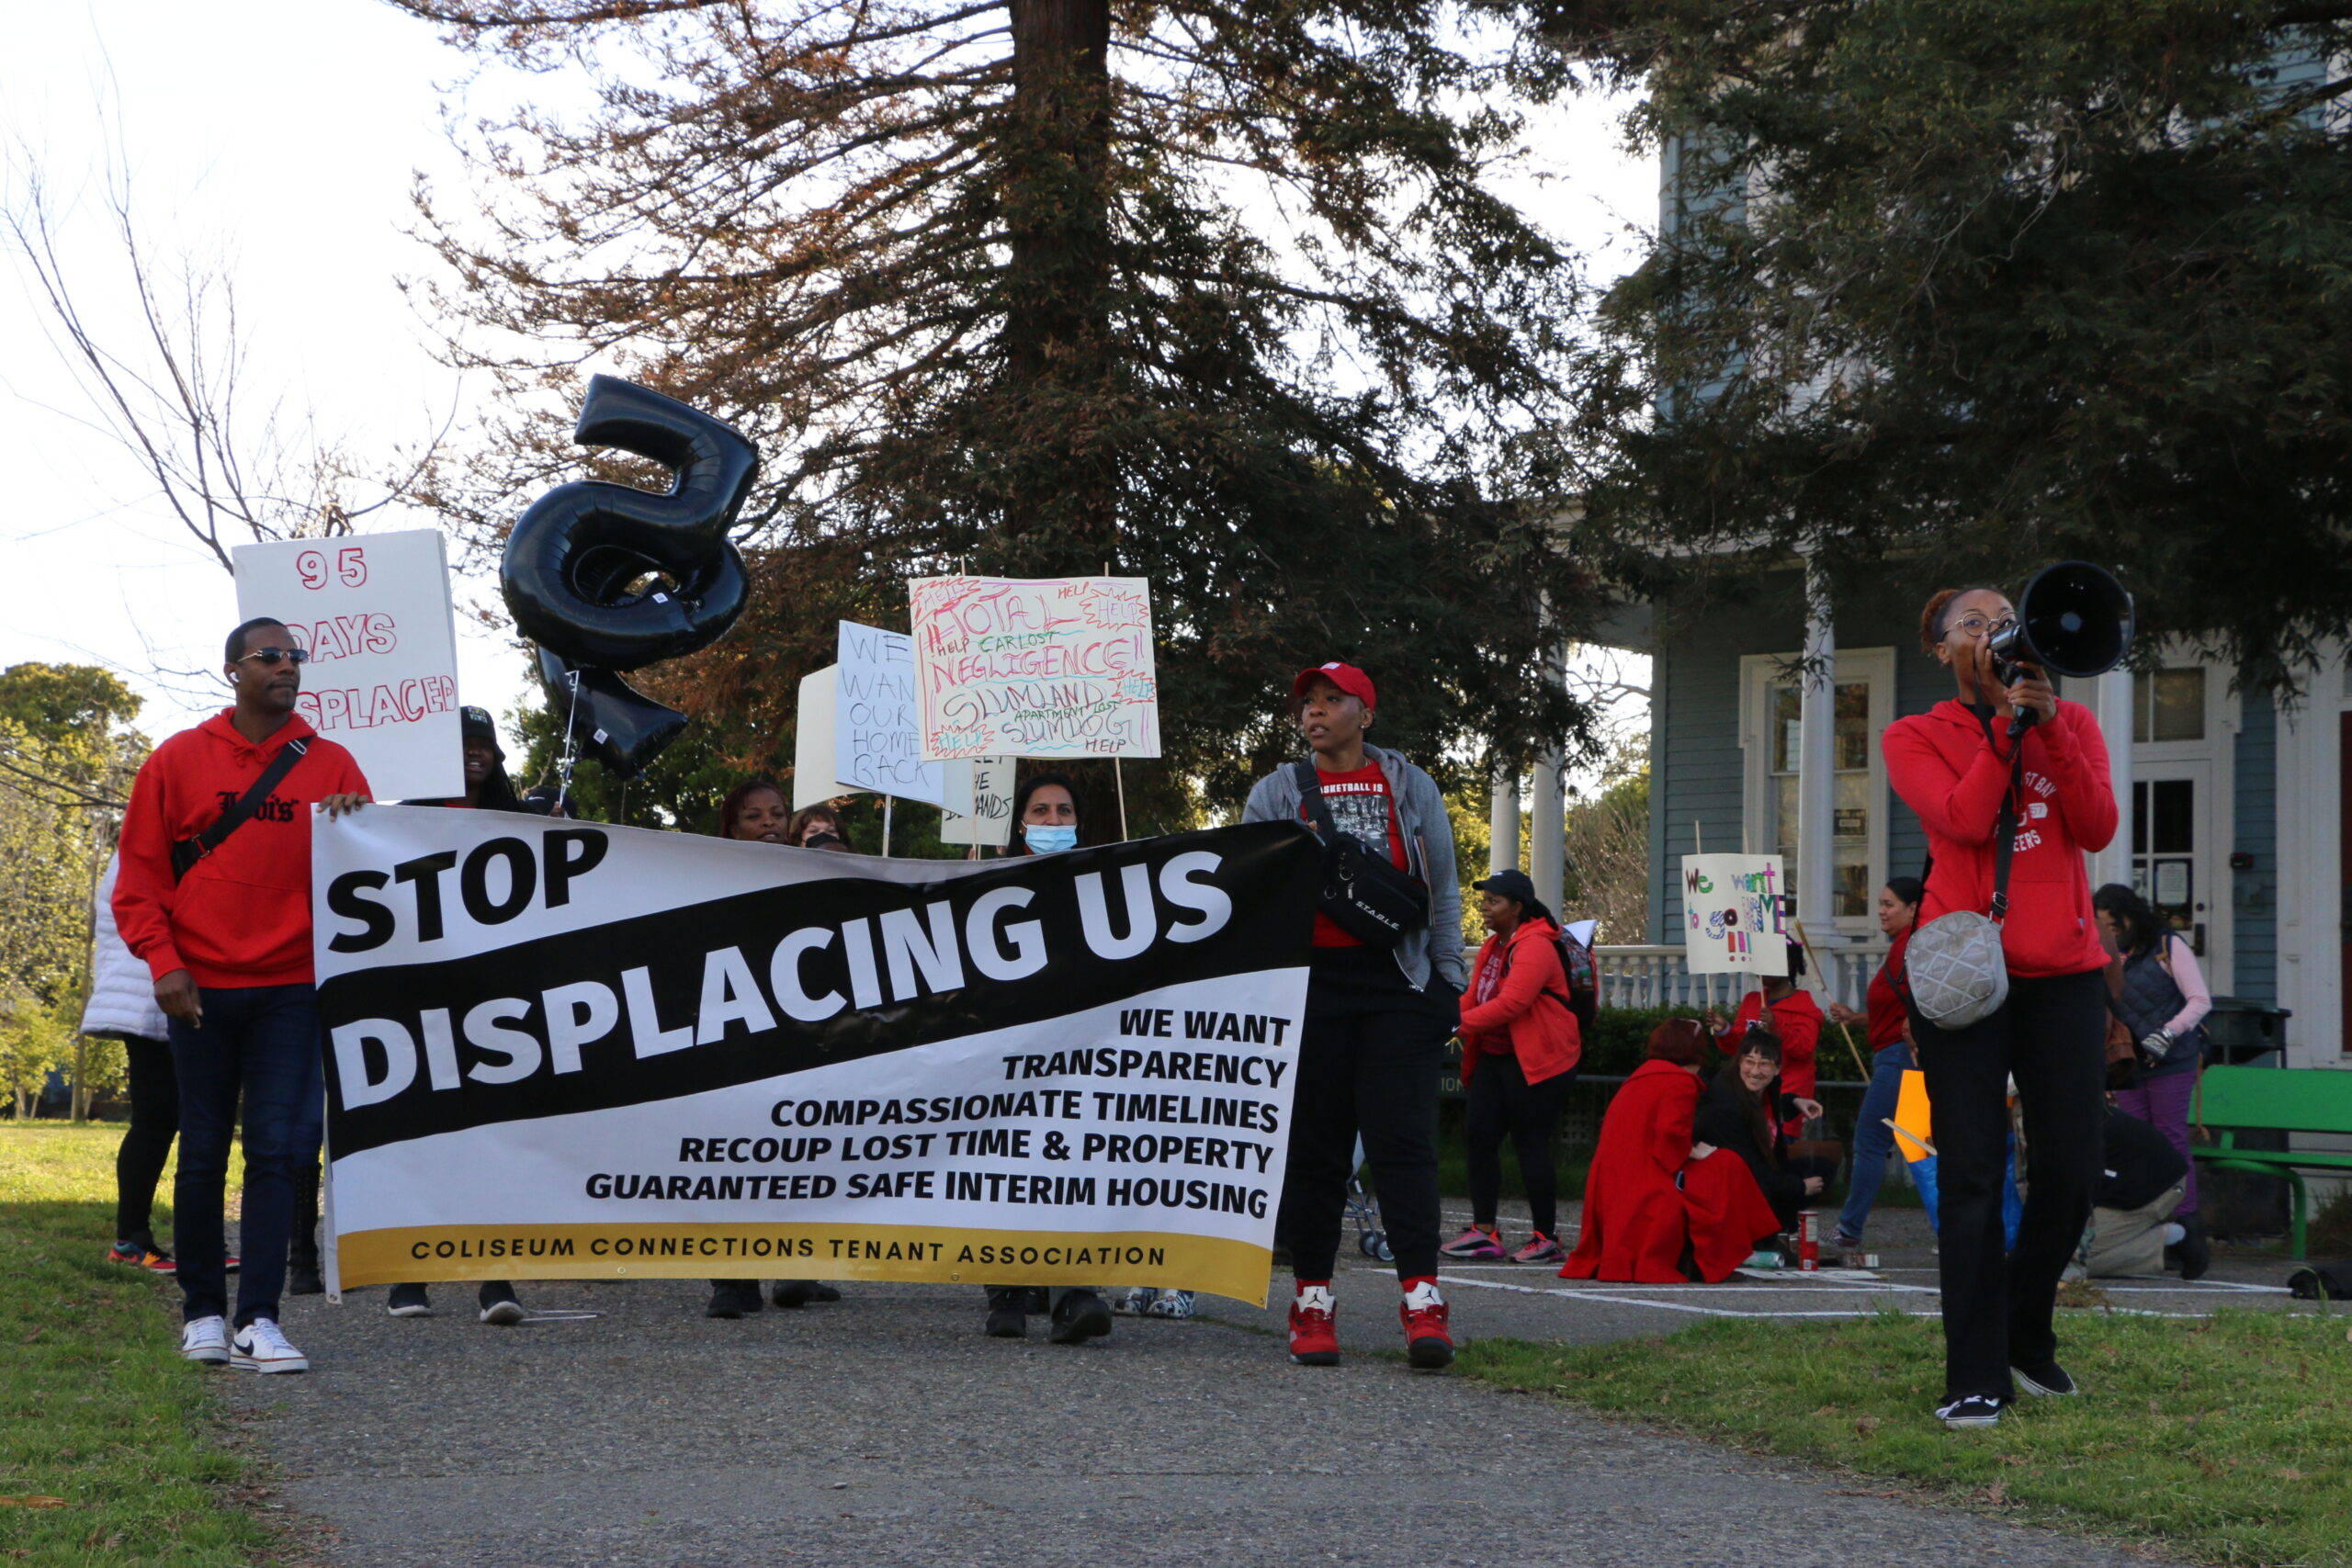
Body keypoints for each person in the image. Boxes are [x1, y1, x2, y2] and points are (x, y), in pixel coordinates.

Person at [1883, 584, 2117, 1427]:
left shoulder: (2072, 722)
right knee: (1974, 1175)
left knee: (2074, 1167)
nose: (1991, 632)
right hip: (1968, 979)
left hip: (2063, 973)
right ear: (1941, 650)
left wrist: (2046, 723)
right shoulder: (1913, 735)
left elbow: (2094, 826)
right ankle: (1975, 1373)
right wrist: (2006, 731)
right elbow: (1967, 818)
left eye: (1999, 619)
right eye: (1970, 625)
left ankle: (2025, 1324)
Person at [114, 617, 370, 1373]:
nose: (287, 666)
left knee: (275, 1155)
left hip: (292, 987)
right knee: (200, 1156)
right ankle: (201, 1313)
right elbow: (139, 881)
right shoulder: (178, 760)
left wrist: (364, 824)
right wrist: (164, 964)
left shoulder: (334, 764)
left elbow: (367, 875)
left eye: (295, 656)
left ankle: (259, 1317)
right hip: (199, 988)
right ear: (233, 670)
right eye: (271, 656)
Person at [1242, 662, 1464, 1369]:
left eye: (1331, 700)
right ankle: (1312, 1301)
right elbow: (1249, 894)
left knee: (1404, 1145)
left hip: (1398, 983)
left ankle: (1423, 1299)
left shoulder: (1411, 786)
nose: (1314, 712)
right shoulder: (1276, 792)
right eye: (1307, 700)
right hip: (1310, 989)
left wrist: (1449, 982)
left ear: (1365, 713)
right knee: (1316, 1150)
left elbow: (1444, 889)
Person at [382, 708, 534, 1324]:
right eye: (462, 745)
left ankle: (496, 1280)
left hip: (499, 1010)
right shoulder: (392, 828)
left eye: (486, 747)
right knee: (417, 1138)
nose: (477, 755)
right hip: (419, 1007)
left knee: (491, 1142)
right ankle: (406, 1278)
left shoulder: (518, 824)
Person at [977, 771, 1119, 1341]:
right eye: (1040, 812)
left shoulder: (1102, 883)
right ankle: (1005, 1294)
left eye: (1063, 812)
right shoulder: (984, 880)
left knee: (1072, 1165)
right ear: (1020, 822)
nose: (1053, 822)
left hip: (1078, 1047)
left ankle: (1075, 1296)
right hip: (1004, 1047)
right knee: (1001, 1165)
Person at [705, 779, 846, 1319]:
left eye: (777, 815)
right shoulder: (699, 880)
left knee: (789, 1152)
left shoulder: (808, 878)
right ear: (731, 828)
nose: (768, 824)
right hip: (728, 1035)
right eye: (753, 816)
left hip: (795, 1037)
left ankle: (793, 1263)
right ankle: (730, 1281)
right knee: (726, 1157)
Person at [1560, 1020, 1779, 1283]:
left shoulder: (1640, 1076)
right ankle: (1718, 1257)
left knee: (1719, 1166)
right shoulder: (1680, 1081)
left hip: (1612, 1185)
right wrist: (1694, 1151)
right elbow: (1669, 1137)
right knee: (1727, 1164)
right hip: (1647, 1184)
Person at [1442, 868, 1582, 1266]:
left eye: (1494, 901)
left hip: (1541, 1059)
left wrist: (1456, 1024)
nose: (1485, 907)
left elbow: (1512, 1005)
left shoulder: (1535, 944)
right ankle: (1484, 1232)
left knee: (1530, 1143)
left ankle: (1546, 1237)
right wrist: (1443, 1021)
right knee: (1479, 1135)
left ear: (1517, 908)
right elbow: (1475, 997)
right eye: (1483, 900)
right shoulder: (1494, 946)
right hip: (1498, 1055)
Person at [2092, 882, 2213, 1280]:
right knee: (2138, 1141)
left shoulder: (2166, 945)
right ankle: (2149, 1224)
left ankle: (2189, 1224)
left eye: (2113, 924)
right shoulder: (2108, 954)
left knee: (2170, 1136)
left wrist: (2168, 1032)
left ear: (2130, 918)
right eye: (2101, 925)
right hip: (2131, 1061)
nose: (2108, 932)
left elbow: (2199, 1000)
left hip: (2172, 1058)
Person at [83, 852, 181, 1274]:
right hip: (153, 994)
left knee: (169, 1119)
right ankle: (132, 1240)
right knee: (157, 1119)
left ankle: (149, 1240)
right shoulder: (145, 842)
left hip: (156, 992)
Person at [1826, 878, 1923, 1251]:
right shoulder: (1904, 946)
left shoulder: (1909, 949)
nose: (1881, 910)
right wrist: (1856, 1018)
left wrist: (1912, 1029)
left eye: (1890, 904)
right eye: (1880, 903)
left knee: (1869, 1142)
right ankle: (1953, 1229)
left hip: (1899, 1059)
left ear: (1913, 908)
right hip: (1900, 1057)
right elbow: (1901, 1010)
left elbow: (1921, 1003)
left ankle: (1849, 1230)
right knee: (1921, 1152)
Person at [1691, 1029, 1830, 1235]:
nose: (1755, 1071)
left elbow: (1764, 1110)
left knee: (1821, 1170)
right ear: (1739, 1062)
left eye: (1764, 1063)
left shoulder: (1762, 1088)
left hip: (1751, 1170)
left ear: (1777, 1069)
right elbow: (1750, 1166)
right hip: (1725, 1181)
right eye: (1749, 1061)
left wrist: (1794, 1101)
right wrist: (1798, 1187)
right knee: (1788, 1184)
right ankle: (1761, 1235)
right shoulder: (1725, 1103)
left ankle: (1779, 1230)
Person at [1704, 941, 1821, 1140]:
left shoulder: (1804, 1006)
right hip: (1750, 1098)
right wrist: (1724, 1029)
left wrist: (1777, 1024)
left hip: (1785, 1097)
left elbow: (1804, 1048)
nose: (1761, 967)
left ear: (1788, 964)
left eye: (1768, 961)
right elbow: (1740, 1048)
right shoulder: (1752, 1000)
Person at [2070, 1104, 2191, 1280]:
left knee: (2064, 1261)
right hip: (2118, 1182)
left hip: (2150, 1186)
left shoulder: (2060, 1122)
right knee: (2050, 1256)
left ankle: (2167, 1246)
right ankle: (2135, 1237)